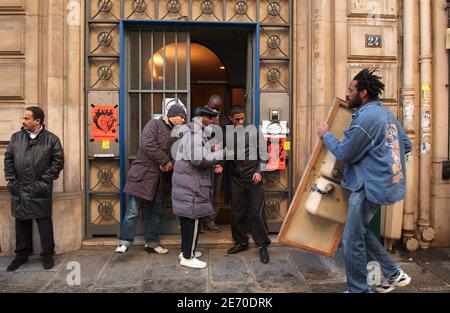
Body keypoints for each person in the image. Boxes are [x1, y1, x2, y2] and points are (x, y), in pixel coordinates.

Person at [317, 68, 413, 293]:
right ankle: (393, 272)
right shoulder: (385, 113)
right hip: (380, 183)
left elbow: (345, 153)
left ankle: (359, 290)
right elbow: (406, 145)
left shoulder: (366, 118)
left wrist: (325, 135)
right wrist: (383, 162)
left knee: (351, 241)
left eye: (351, 90)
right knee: (359, 231)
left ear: (363, 92)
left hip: (367, 187)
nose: (347, 93)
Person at [115, 104, 186, 254]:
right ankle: (125, 242)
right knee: (133, 211)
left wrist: (171, 164)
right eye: (181, 116)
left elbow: (179, 153)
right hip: (143, 175)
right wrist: (164, 161)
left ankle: (151, 243)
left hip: (161, 180)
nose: (183, 120)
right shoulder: (154, 124)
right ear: (172, 115)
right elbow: (147, 143)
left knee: (156, 212)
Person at [4, 106, 64, 271]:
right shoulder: (16, 138)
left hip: (40, 188)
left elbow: (58, 161)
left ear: (37, 121)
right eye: (24, 118)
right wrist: (11, 180)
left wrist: (44, 180)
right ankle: (21, 255)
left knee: (44, 222)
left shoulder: (51, 139)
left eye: (27, 118)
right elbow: (8, 158)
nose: (23, 121)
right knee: (21, 222)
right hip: (19, 187)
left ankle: (47, 256)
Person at [171, 107, 225, 269]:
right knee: (192, 220)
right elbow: (199, 159)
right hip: (191, 184)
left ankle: (186, 251)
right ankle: (188, 256)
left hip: (187, 182)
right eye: (210, 118)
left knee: (187, 220)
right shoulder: (195, 134)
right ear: (201, 118)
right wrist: (220, 153)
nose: (213, 121)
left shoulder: (191, 131)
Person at [226, 106, 271, 264]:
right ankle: (241, 242)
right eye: (237, 119)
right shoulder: (227, 133)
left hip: (253, 176)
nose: (240, 121)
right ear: (230, 118)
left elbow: (265, 154)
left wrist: (260, 171)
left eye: (242, 118)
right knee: (236, 211)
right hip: (235, 178)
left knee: (257, 212)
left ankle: (263, 245)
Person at [201, 95, 230, 233]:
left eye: (218, 108)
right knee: (202, 194)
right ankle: (200, 221)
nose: (215, 111)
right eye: (213, 108)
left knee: (216, 195)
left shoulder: (224, 121)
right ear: (207, 105)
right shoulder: (201, 118)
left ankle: (211, 221)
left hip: (218, 165)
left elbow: (228, 146)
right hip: (203, 164)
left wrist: (222, 164)